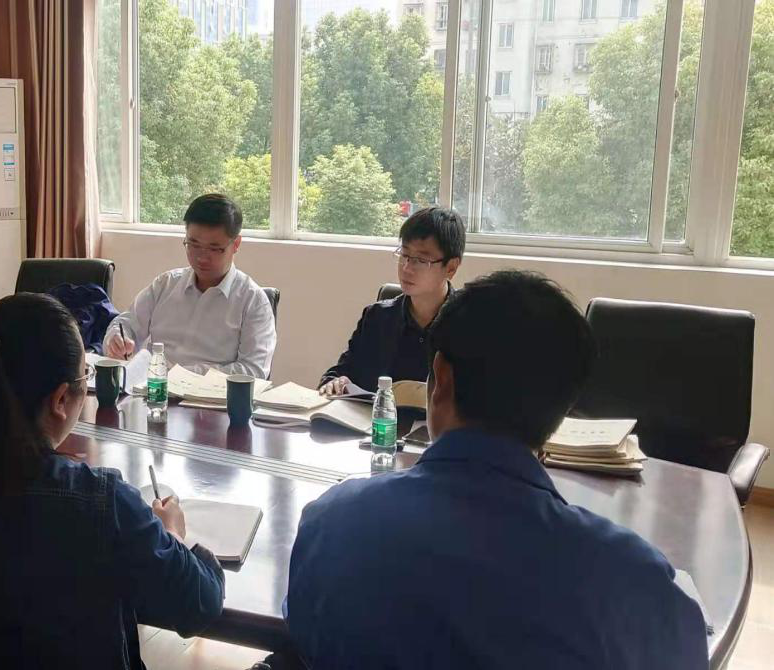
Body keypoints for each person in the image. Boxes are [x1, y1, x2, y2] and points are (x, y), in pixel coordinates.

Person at [286, 270, 709, 670]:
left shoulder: (332, 523)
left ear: (441, 379)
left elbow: (305, 633)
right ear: (564, 405)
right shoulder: (632, 582)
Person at [0, 293, 225, 669]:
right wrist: (173, 536)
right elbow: (199, 603)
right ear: (61, 399)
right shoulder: (101, 501)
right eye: (86, 375)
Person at [103, 194, 277, 378]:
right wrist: (117, 340)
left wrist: (180, 374)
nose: (202, 257)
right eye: (193, 244)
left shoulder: (253, 301)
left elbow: (254, 370)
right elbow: (125, 323)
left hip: (211, 395)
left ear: (236, 244)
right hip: (155, 390)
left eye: (214, 248)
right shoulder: (166, 285)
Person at [319, 207, 464, 395]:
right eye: (404, 255)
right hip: (374, 415)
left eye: (421, 260)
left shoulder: (470, 325)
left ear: (451, 268)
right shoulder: (377, 317)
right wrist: (334, 382)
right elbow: (340, 373)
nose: (407, 268)